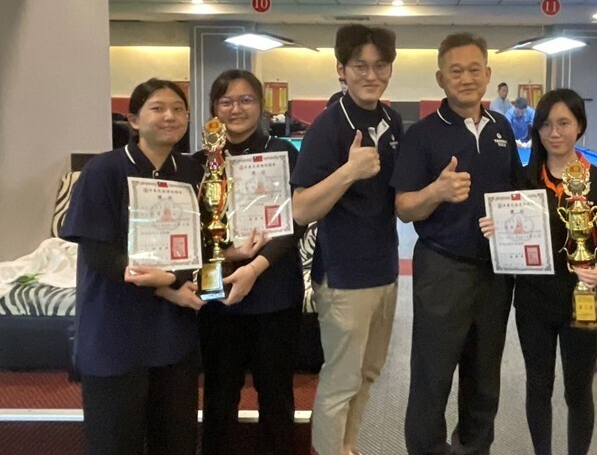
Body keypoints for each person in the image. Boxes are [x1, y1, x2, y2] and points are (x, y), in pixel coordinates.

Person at [392, 32, 522, 455]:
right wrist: (437, 192)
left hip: (495, 272)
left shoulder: (501, 127)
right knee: (433, 374)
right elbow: (404, 208)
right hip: (442, 268)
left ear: (487, 75)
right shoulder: (424, 135)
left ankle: (473, 448)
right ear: (440, 78)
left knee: (484, 376)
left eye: (474, 70)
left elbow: (517, 194)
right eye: (456, 71)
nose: (466, 79)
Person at [479, 89, 597, 455]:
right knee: (538, 386)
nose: (554, 132)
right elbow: (511, 236)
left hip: (585, 300)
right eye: (545, 124)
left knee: (578, 391)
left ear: (580, 127)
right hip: (534, 300)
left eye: (564, 123)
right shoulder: (523, 180)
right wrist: (497, 229)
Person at [61, 79, 204, 455]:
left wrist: (178, 280)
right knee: (115, 443)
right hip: (115, 333)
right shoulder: (104, 171)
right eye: (158, 108)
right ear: (134, 119)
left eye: (178, 109)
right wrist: (164, 286)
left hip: (173, 339)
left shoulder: (191, 173)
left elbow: (201, 247)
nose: (169, 116)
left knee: (176, 442)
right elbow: (98, 253)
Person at [291, 24, 402, 455]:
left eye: (380, 65)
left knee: (368, 375)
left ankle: (348, 447)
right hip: (342, 276)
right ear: (342, 70)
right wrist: (348, 171)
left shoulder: (391, 119)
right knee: (339, 383)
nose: (371, 75)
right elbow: (301, 209)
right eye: (360, 66)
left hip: (386, 270)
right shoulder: (328, 125)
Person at [194, 70, 304, 455]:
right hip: (217, 290)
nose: (236, 109)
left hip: (274, 289)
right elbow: (191, 234)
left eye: (246, 100)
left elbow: (298, 221)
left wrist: (256, 262)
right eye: (226, 101)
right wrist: (224, 255)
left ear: (261, 106)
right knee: (220, 393)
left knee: (276, 392)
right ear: (213, 108)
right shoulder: (200, 164)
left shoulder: (284, 154)